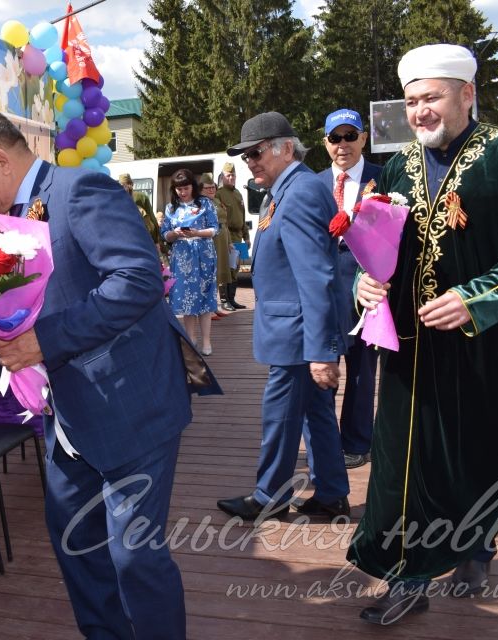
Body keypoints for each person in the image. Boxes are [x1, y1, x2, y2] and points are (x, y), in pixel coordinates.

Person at [0, 109, 221, 639]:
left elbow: (137, 279)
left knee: (135, 558)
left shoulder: (80, 189)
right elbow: (9, 329)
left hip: (130, 403)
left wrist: (46, 340)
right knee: (75, 544)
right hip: (67, 418)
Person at [349, 43, 498, 625]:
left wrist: (474, 297)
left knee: (477, 447)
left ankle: (476, 545)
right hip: (408, 343)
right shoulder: (400, 166)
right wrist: (365, 282)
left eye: (431, 97)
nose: (420, 111)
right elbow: (380, 245)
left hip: (483, 341)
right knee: (404, 458)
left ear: (467, 93)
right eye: (411, 102)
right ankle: (409, 573)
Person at [216, 112, 350, 522]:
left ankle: (269, 497)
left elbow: (316, 277)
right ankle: (331, 493)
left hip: (298, 337)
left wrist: (322, 351)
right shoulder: (287, 189)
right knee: (317, 415)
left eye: (255, 153)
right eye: (245, 157)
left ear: (285, 148)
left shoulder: (301, 191)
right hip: (295, 331)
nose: (250, 162)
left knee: (280, 416)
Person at [316, 108, 383, 469]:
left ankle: (358, 442)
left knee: (361, 369)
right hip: (324, 293)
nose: (343, 145)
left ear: (364, 138)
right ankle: (326, 443)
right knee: (323, 369)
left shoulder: (385, 179)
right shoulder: (312, 184)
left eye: (350, 136)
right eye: (335, 138)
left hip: (366, 290)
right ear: (325, 143)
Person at [161, 167, 221, 354]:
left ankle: (206, 341)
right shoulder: (171, 207)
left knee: (205, 297)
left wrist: (196, 233)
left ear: (193, 187)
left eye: (186, 188)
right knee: (187, 299)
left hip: (203, 254)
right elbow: (165, 234)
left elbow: (214, 229)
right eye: (179, 189)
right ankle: (190, 339)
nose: (183, 192)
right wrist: (174, 233)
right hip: (182, 257)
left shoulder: (205, 203)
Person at [214, 162, 251, 310]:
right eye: (229, 175)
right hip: (226, 236)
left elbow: (242, 216)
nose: (232, 178)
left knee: (236, 268)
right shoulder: (219, 194)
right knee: (226, 269)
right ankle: (225, 300)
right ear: (223, 177)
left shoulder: (238, 194)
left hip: (239, 236)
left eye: (233, 175)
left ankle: (232, 299)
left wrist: (246, 236)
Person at [199, 172, 232, 316]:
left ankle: (213, 306)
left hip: (222, 241)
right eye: (208, 188)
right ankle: (207, 309)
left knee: (218, 274)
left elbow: (225, 222)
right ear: (200, 190)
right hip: (210, 242)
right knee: (208, 275)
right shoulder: (200, 204)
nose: (212, 190)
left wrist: (229, 241)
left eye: (213, 187)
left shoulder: (217, 201)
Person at [118, 172, 162, 254]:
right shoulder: (141, 197)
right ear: (131, 184)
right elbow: (151, 218)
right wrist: (156, 241)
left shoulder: (117, 198)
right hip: (141, 237)